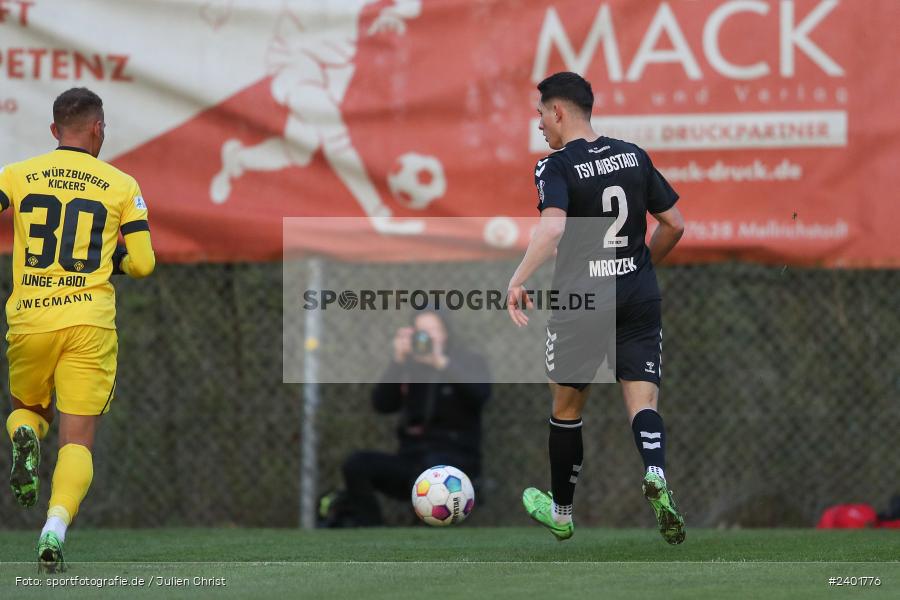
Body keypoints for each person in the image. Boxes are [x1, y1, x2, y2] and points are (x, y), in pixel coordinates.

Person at [506, 72, 686, 544]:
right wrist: (642, 267)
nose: (540, 122)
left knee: (566, 406)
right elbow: (674, 224)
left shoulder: (555, 166)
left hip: (581, 300)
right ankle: (656, 475)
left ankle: (562, 513)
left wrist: (518, 278)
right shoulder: (633, 155)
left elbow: (552, 229)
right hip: (637, 294)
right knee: (643, 399)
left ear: (559, 111)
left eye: (541, 113)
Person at [0, 87, 156, 571]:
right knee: (77, 440)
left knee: (28, 410)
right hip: (88, 321)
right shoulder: (120, 184)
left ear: (53, 130)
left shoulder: (18, 174)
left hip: (31, 319)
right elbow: (145, 263)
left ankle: (24, 438)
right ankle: (54, 527)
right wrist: (116, 263)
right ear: (98, 128)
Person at [324, 309, 490, 527]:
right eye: (422, 331)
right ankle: (372, 531)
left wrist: (441, 363)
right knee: (356, 464)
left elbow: (480, 394)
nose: (427, 337)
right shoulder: (410, 367)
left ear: (446, 333)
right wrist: (398, 361)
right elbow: (382, 404)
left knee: (428, 476)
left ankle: (422, 537)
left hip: (453, 462)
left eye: (433, 330)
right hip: (411, 458)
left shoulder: (469, 361)